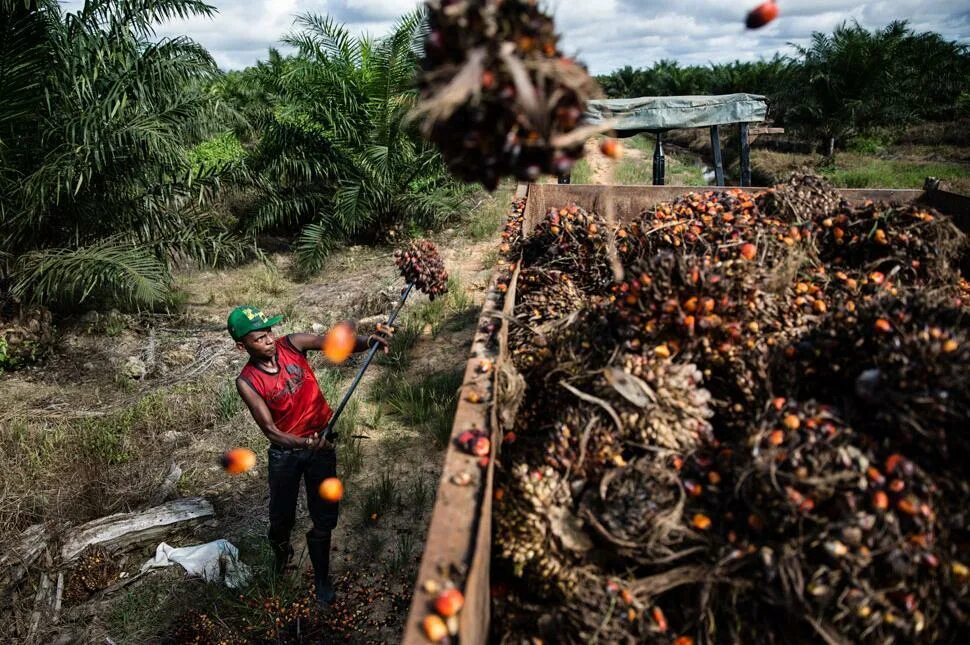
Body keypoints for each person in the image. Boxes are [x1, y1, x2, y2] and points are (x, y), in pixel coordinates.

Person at [227, 305, 393, 606]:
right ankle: (280, 558)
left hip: (321, 444)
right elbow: (272, 431)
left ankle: (321, 577)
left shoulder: (292, 344)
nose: (267, 340)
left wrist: (369, 341)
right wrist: (305, 444)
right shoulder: (247, 382)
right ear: (242, 346)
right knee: (281, 520)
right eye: (257, 338)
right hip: (286, 454)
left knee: (324, 516)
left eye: (268, 333)